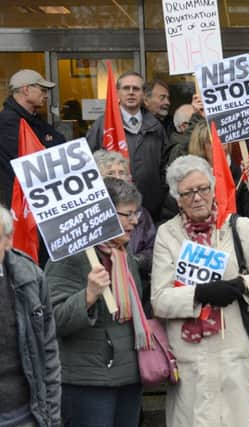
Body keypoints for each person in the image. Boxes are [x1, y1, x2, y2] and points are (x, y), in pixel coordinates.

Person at [151, 155, 249, 427]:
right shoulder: (167, 234)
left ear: (212, 189)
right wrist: (199, 294)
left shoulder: (239, 227)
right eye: (188, 193)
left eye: (203, 189)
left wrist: (240, 286)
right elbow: (159, 301)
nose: (197, 198)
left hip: (232, 355)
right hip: (190, 361)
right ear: (177, 198)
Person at [46, 178, 148, 427]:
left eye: (137, 213)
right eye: (128, 214)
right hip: (86, 382)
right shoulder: (69, 256)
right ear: (104, 214)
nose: (135, 221)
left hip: (128, 376)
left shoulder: (124, 257)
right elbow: (53, 319)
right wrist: (88, 295)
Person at [0, 204, 61, 427]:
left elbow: (48, 351)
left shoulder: (29, 277)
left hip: (24, 414)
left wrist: (52, 418)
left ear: (8, 240)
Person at [86, 71, 170, 222]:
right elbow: (88, 166)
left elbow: (165, 166)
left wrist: (160, 197)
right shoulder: (103, 125)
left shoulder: (156, 127)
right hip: (113, 209)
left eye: (136, 89)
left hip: (151, 210)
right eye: (126, 88)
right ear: (118, 92)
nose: (131, 93)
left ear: (144, 94)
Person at [93, 149, 157, 316]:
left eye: (121, 172)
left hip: (137, 289)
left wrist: (134, 261)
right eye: (110, 173)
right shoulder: (90, 218)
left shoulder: (141, 214)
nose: (117, 177)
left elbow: (154, 249)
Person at [0, 69, 65, 209]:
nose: (46, 95)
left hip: (37, 197)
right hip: (21, 202)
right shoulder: (7, 122)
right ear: (26, 89)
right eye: (42, 90)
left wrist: (45, 144)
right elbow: (31, 159)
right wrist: (46, 144)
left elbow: (60, 142)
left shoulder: (33, 117)